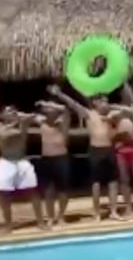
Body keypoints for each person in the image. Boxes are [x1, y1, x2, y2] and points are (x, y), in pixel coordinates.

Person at [49, 85, 123, 221]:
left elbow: (125, 111)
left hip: (109, 150)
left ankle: (113, 211)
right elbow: (73, 104)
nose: (106, 104)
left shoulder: (111, 115)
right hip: (96, 150)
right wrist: (60, 94)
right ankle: (97, 212)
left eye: (107, 101)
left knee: (113, 182)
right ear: (95, 103)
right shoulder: (89, 114)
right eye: (103, 101)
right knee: (96, 183)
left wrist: (111, 110)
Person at [0, 107, 46, 233]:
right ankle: (8, 225)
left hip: (22, 161)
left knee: (33, 192)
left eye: (13, 111)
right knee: (4, 195)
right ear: (3, 115)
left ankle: (40, 221)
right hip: (6, 162)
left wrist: (22, 114)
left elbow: (39, 118)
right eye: (8, 111)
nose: (11, 113)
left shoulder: (23, 123)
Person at [112, 83, 133, 216]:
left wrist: (126, 84)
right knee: (124, 179)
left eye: (129, 92)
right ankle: (128, 206)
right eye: (124, 92)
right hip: (121, 147)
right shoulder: (115, 109)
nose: (127, 94)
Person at [35, 100, 71, 226]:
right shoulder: (42, 122)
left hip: (61, 158)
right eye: (47, 109)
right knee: (48, 190)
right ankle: (50, 217)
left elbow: (66, 109)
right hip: (46, 158)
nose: (48, 109)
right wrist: (44, 105)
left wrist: (49, 103)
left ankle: (61, 216)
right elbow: (31, 116)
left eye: (51, 108)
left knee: (63, 190)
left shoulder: (63, 122)